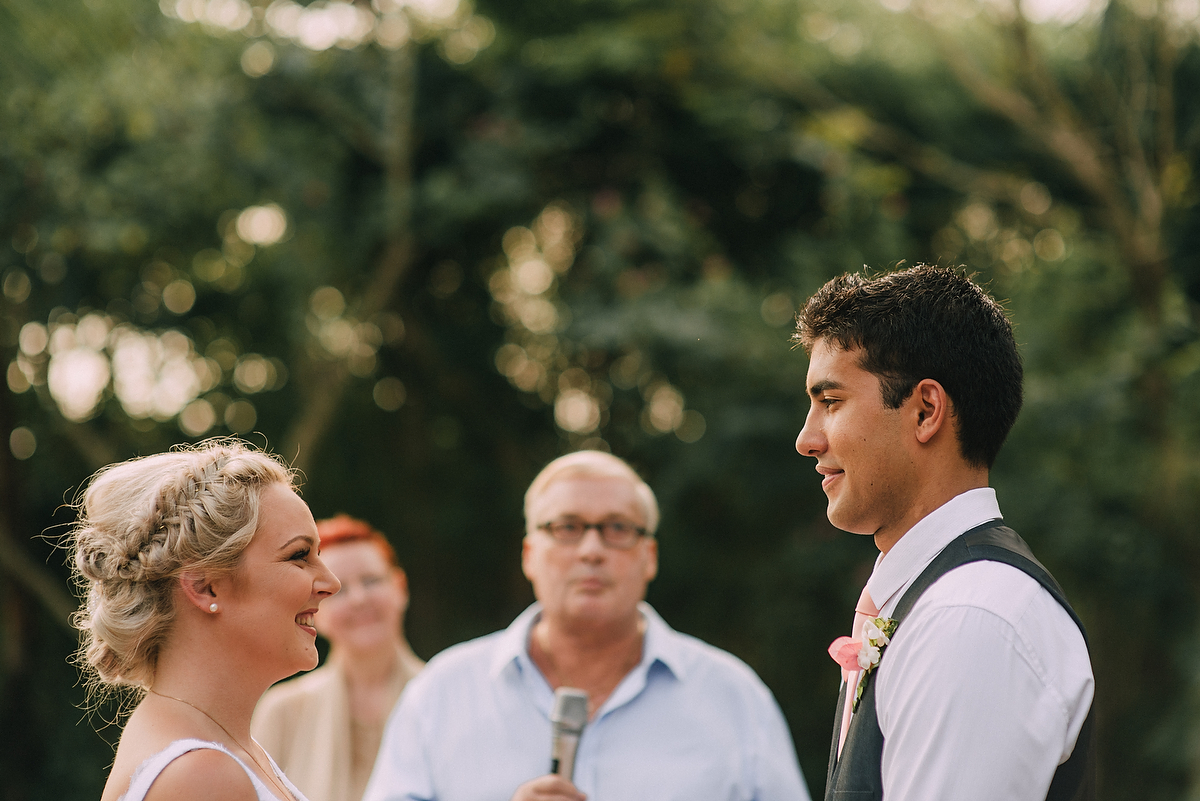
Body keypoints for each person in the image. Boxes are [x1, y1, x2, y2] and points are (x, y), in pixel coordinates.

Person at [793, 265, 1095, 800]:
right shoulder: (938, 601)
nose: (807, 439)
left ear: (926, 410)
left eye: (832, 401)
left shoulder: (971, 616)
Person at [363, 450, 810, 801]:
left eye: (617, 527)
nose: (592, 550)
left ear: (649, 556)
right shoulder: (443, 693)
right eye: (568, 527)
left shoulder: (734, 699)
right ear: (529, 555)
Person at [69, 440, 341, 801]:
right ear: (205, 587)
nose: (331, 583)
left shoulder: (218, 746)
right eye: (299, 555)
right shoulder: (201, 776)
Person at [253, 515, 425, 801]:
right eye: (340, 590)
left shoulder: (444, 695)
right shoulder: (281, 712)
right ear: (313, 606)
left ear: (400, 587)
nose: (359, 599)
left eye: (371, 581)